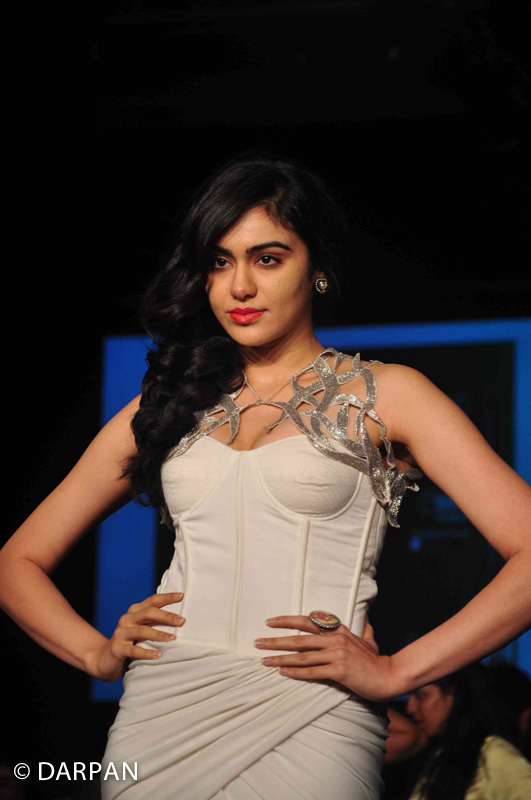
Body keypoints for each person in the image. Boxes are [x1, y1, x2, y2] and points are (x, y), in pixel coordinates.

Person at [0, 148, 530, 800]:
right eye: (219, 262)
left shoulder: (387, 394)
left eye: (268, 258)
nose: (240, 287)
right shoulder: (168, 405)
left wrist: (398, 672)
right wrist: (96, 655)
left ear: (318, 268)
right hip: (161, 713)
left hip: (312, 712)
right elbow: (16, 561)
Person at [403, 664, 531, 799]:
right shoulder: (440, 753)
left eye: (420, 695)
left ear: (452, 695)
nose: (410, 708)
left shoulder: (493, 754)